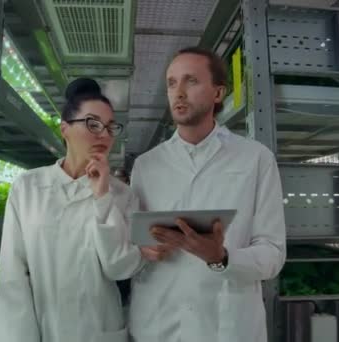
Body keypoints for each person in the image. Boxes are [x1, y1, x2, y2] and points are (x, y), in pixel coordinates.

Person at [128, 47, 287, 342]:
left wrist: (221, 257)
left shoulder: (254, 158)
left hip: (226, 326)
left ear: (218, 93)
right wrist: (142, 251)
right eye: (172, 83)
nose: (179, 92)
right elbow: (131, 243)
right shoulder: (146, 166)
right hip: (159, 325)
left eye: (191, 81)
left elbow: (273, 254)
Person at [0, 78, 166, 342]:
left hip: (101, 329)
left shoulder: (122, 195)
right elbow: (12, 277)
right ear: (65, 128)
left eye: (110, 127)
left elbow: (119, 268)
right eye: (92, 124)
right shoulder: (27, 187)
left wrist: (102, 197)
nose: (104, 134)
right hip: (45, 329)